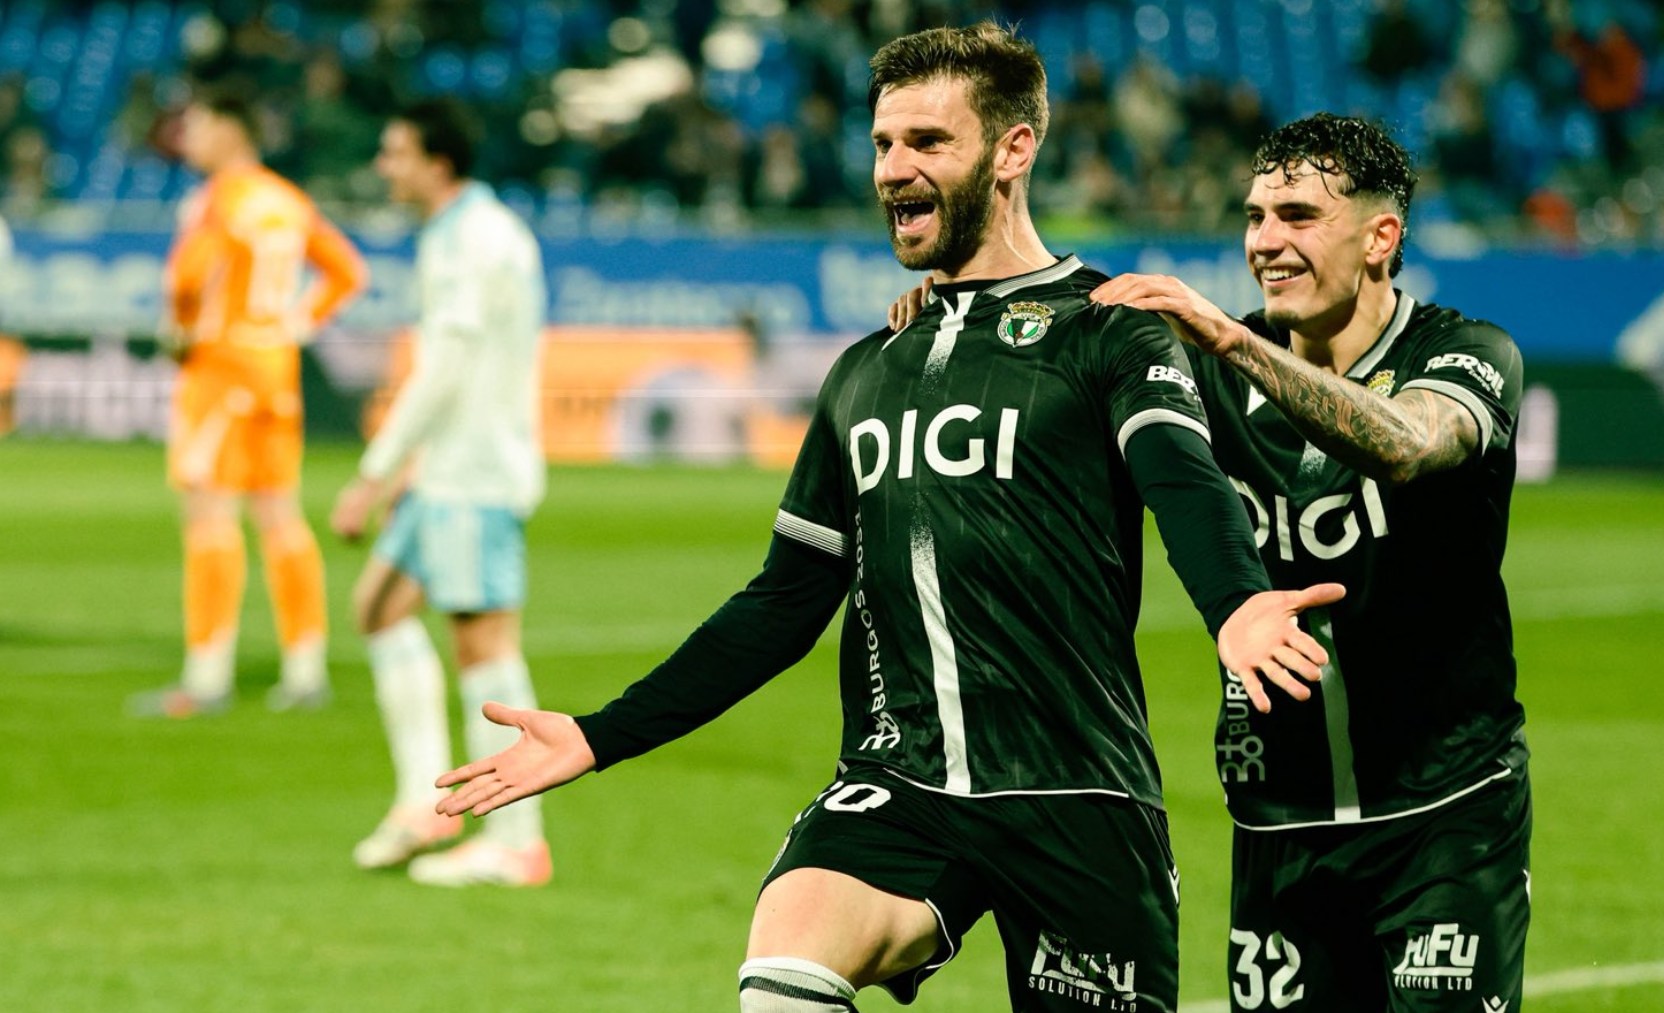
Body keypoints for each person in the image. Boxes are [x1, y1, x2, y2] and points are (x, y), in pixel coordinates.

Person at [435, 23, 1341, 1012]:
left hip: (1076, 787)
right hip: (897, 781)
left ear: (1012, 151)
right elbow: (785, 597)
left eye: (927, 142)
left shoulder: (1112, 325)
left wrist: (1238, 605)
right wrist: (599, 733)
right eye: (882, 144)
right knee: (782, 976)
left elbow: (1181, 477)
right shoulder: (866, 368)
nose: (894, 168)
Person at [1090, 114, 1532, 1012]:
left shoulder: (1466, 354)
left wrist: (1233, 343)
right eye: (1254, 217)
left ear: (1382, 237)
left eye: (1296, 216)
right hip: (1276, 824)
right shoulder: (1199, 374)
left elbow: (1408, 442)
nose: (1265, 242)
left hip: (1443, 819)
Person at [328, 99, 553, 887]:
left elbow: (447, 367)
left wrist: (377, 469)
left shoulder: (474, 241)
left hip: (477, 471)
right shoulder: (463, 232)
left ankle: (516, 839)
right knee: (379, 608)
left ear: (437, 161)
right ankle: (423, 803)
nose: (385, 167)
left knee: (484, 648)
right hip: (447, 468)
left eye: (395, 153)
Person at [131, 91, 366, 718]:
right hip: (276, 372)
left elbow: (185, 279)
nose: (188, 136)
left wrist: (179, 331)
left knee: (209, 514)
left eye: (199, 125)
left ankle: (207, 676)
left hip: (221, 367)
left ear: (232, 131)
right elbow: (347, 274)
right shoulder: (288, 199)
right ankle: (305, 667)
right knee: (281, 516)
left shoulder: (216, 199)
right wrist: (295, 324)